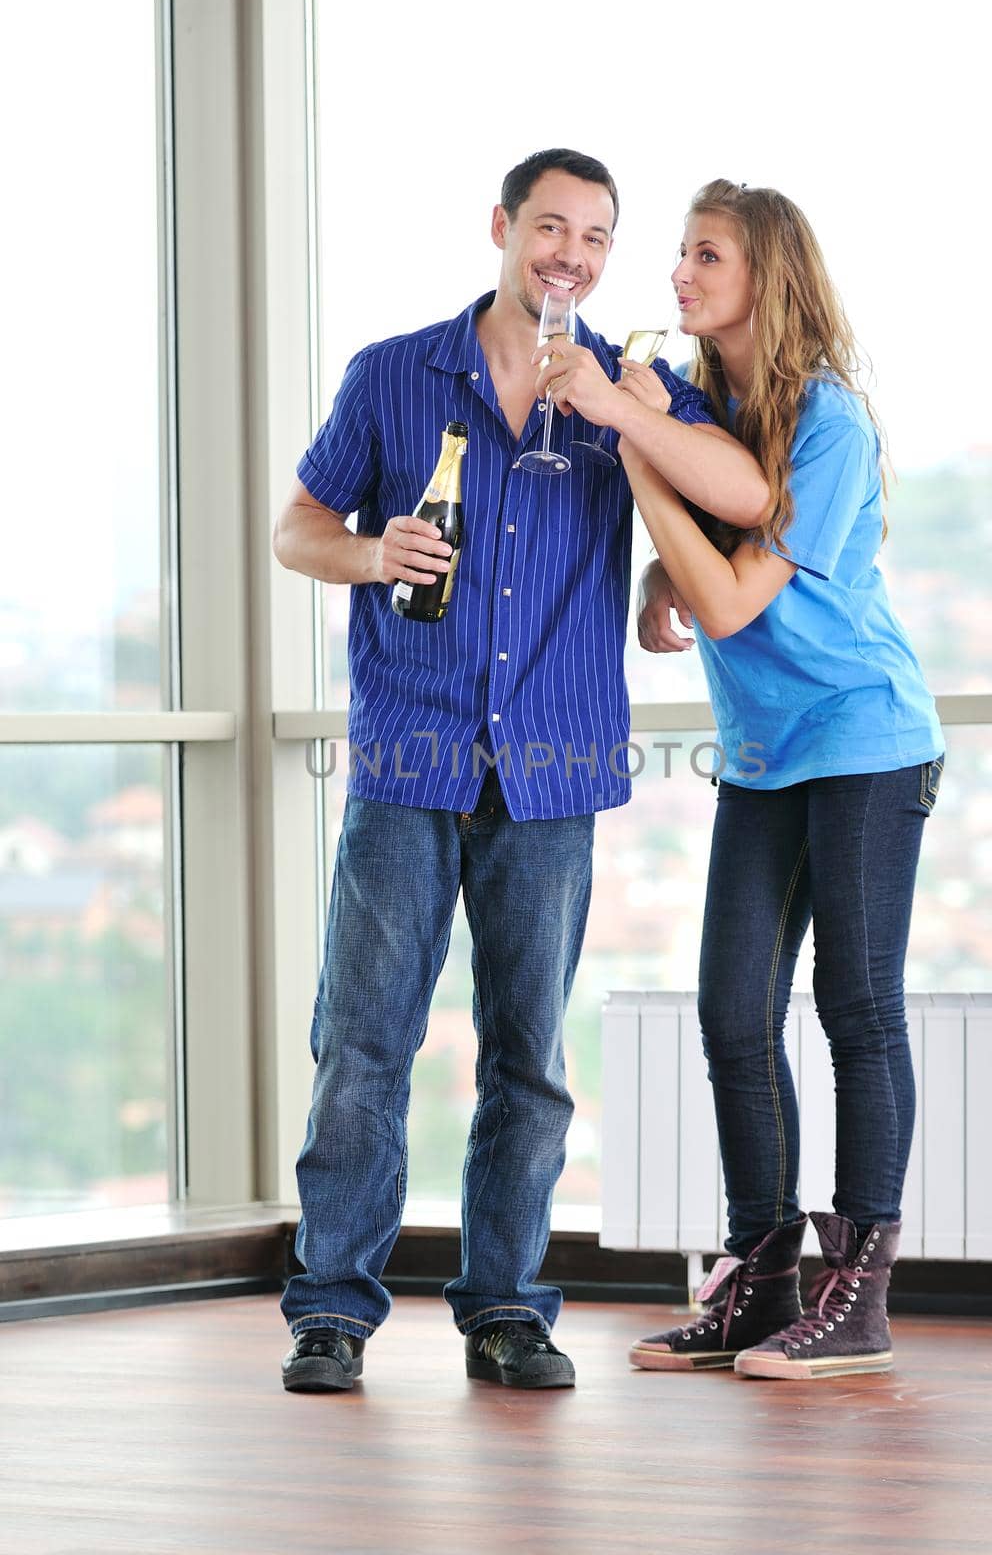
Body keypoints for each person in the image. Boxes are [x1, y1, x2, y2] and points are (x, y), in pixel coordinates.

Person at [272, 151, 768, 1394]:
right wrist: (368, 551)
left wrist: (657, 556)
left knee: (529, 1057)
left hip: (553, 765)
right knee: (362, 1046)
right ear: (501, 227)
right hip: (407, 754)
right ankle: (330, 1309)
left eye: (595, 239)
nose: (571, 256)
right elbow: (296, 528)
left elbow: (738, 501)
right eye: (550, 227)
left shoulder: (630, 387)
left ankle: (506, 1309)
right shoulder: (392, 376)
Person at [623, 180, 945, 1380]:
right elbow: (695, 578)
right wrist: (661, 562)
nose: (680, 273)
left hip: (864, 738)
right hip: (765, 756)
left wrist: (633, 446)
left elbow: (732, 596)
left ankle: (857, 1294)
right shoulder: (713, 410)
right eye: (680, 253)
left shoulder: (828, 422)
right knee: (730, 1013)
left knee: (856, 1006)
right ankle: (762, 1278)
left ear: (767, 274)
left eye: (705, 254)